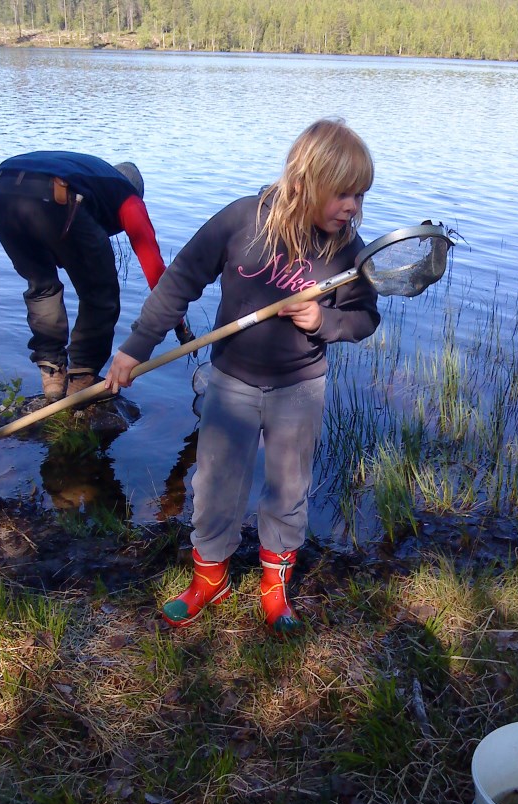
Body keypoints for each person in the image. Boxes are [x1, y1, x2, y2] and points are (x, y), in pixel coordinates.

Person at [105, 118, 381, 634]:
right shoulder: (241, 222)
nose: (353, 208)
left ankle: (274, 590)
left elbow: (366, 316)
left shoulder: (347, 248)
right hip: (230, 381)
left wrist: (327, 321)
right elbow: (179, 281)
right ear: (304, 182)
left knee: (288, 488)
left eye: (360, 196)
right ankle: (210, 577)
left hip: (299, 387)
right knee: (214, 483)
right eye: (343, 194)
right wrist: (134, 349)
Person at [0, 151, 193, 402]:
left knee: (42, 286)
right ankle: (81, 380)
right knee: (100, 294)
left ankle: (52, 377)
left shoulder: (90, 176)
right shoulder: (127, 194)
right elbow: (155, 269)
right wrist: (179, 323)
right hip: (53, 194)